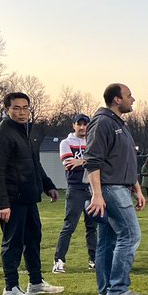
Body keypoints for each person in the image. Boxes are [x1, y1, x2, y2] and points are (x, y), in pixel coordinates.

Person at [0, 91, 64, 295]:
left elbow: (34, 163)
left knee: (33, 239)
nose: (22, 112)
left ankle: (36, 283)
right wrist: (2, 204)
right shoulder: (1, 133)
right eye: (16, 108)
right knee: (13, 243)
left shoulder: (25, 132)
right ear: (6, 110)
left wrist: (48, 185)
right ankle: (11, 288)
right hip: (13, 199)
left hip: (29, 197)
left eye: (25, 108)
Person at [85, 83, 146, 295]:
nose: (133, 99)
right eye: (129, 95)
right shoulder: (102, 123)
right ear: (117, 100)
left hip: (121, 187)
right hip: (110, 188)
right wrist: (97, 194)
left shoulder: (119, 124)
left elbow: (124, 162)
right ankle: (118, 291)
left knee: (108, 241)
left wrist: (137, 188)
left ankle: (106, 290)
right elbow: (92, 161)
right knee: (130, 235)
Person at [52, 113, 97, 274]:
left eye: (85, 124)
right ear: (74, 125)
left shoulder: (93, 142)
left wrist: (82, 161)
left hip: (92, 188)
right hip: (76, 187)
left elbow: (101, 161)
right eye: (79, 124)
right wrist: (88, 161)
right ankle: (59, 260)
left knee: (92, 226)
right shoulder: (66, 142)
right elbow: (69, 164)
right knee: (69, 225)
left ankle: (94, 259)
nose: (82, 127)